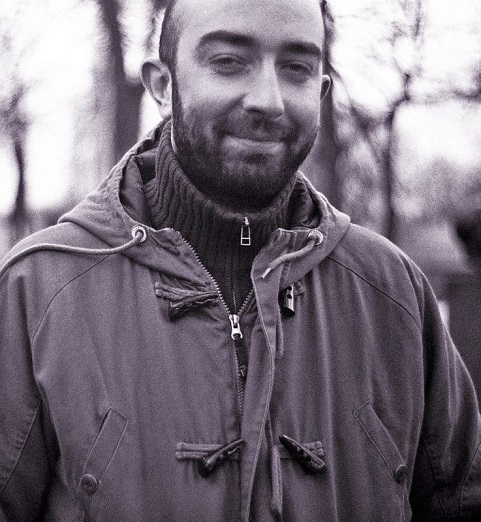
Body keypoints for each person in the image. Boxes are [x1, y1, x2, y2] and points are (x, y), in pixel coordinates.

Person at [1, 0, 480, 519]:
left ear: (320, 91)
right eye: (228, 61)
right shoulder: (39, 290)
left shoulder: (392, 292)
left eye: (296, 67)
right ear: (162, 86)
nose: (268, 100)